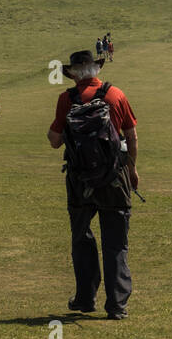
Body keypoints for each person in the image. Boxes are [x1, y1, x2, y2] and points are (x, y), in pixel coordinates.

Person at [47, 49, 138, 321]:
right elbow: (131, 136)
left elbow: (54, 140)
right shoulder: (116, 95)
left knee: (82, 239)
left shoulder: (67, 99)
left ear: (74, 73)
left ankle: (86, 299)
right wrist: (132, 169)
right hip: (114, 178)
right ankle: (117, 306)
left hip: (79, 180)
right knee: (116, 243)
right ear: (96, 69)